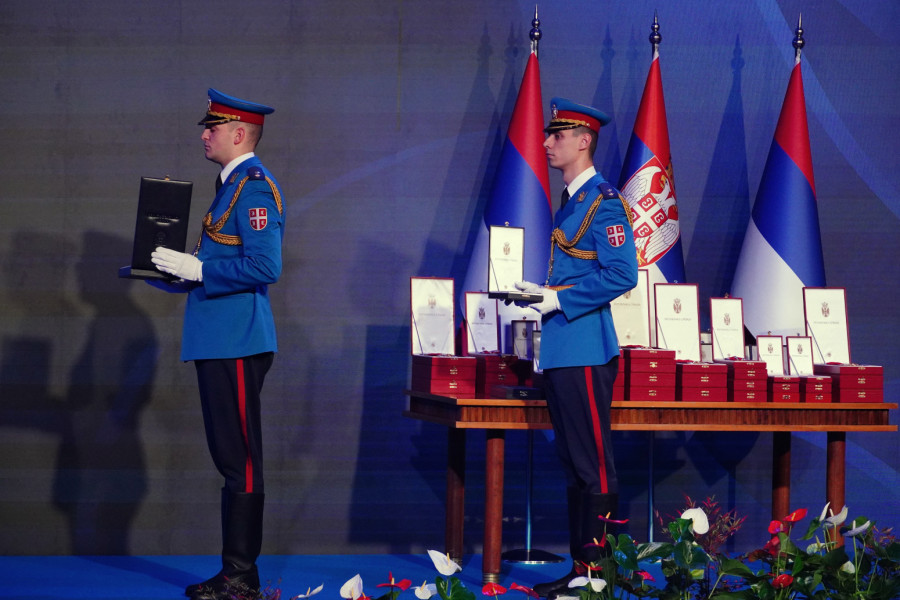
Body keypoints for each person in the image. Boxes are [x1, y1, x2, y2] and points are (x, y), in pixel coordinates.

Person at [149, 88, 285, 599]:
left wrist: (199, 270)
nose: (204, 135)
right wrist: (174, 272)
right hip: (218, 339)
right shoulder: (229, 187)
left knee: (240, 461)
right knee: (231, 460)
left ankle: (241, 577)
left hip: (236, 340)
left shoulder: (253, 188)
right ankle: (236, 573)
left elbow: (265, 265)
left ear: (239, 133)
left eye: (213, 127)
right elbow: (217, 264)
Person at [514, 98, 638, 599]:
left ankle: (598, 577)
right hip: (564, 348)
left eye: (557, 135)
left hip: (586, 348)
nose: (547, 143)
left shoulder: (603, 201)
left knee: (594, 465)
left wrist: (557, 299)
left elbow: (623, 274)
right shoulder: (572, 200)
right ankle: (582, 570)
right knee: (575, 464)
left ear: (584, 141)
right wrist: (541, 296)